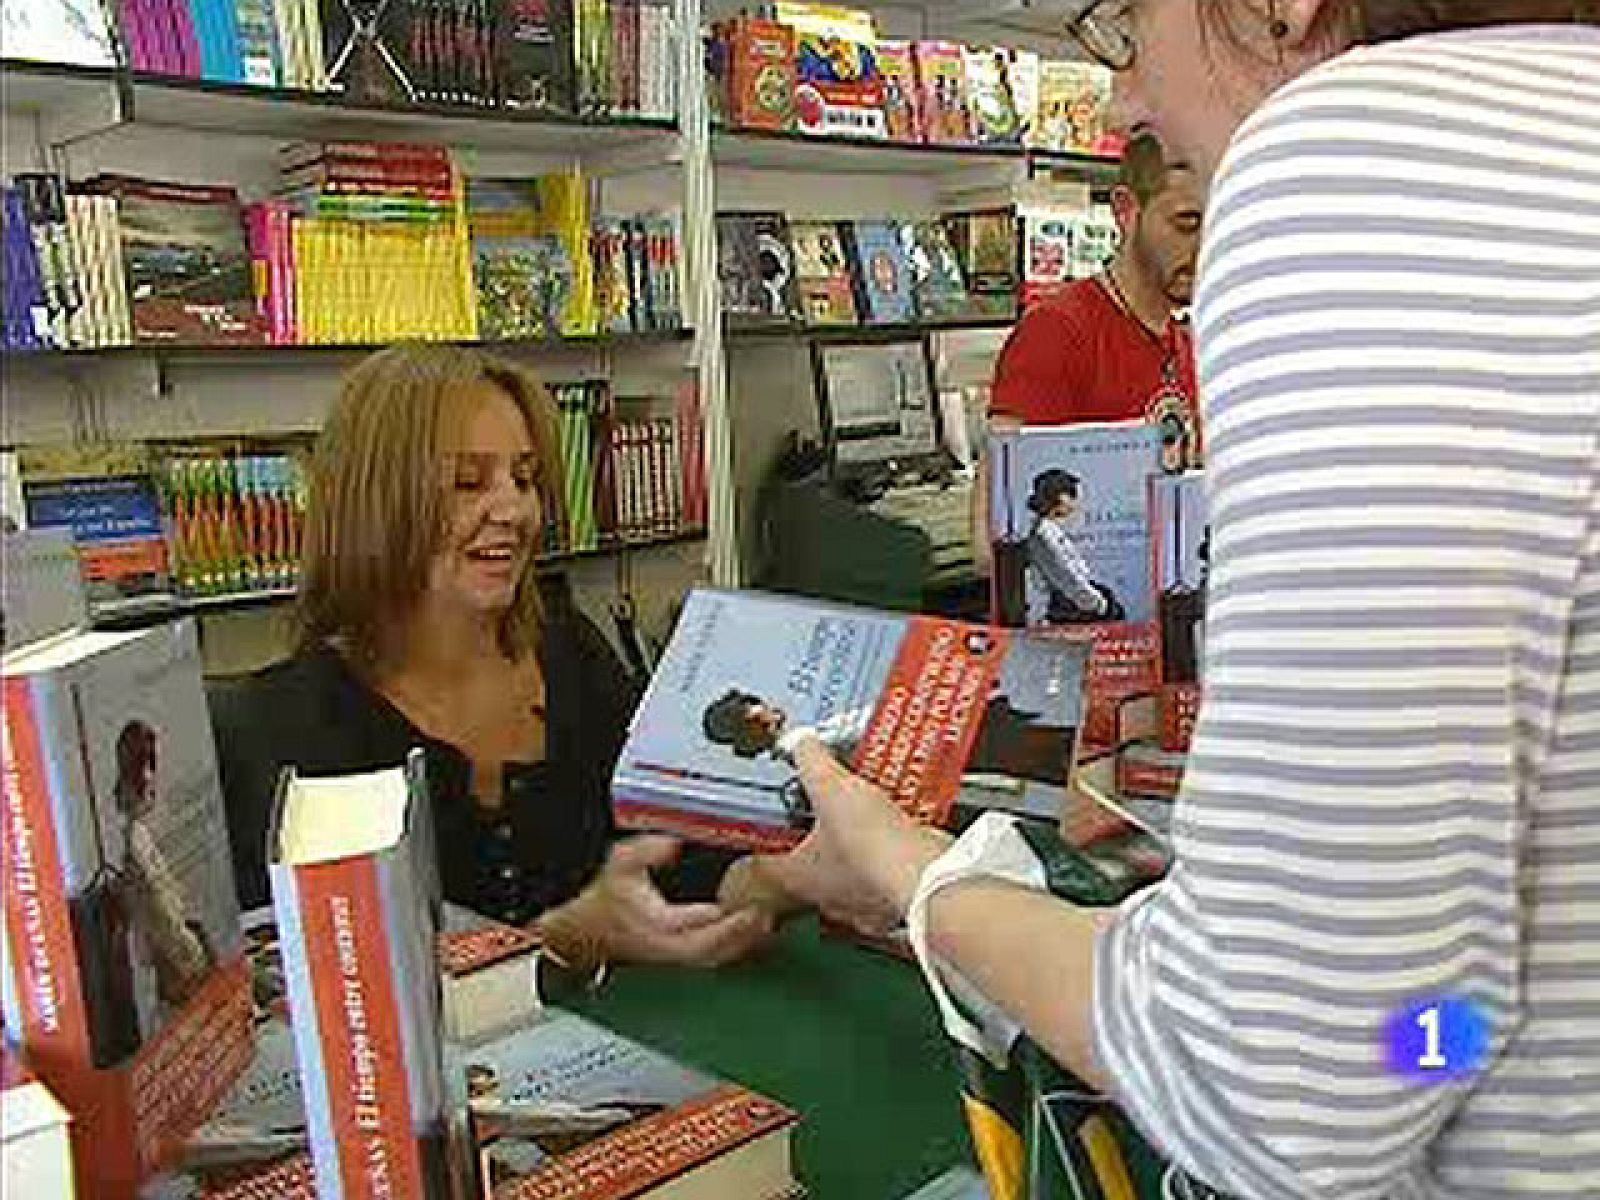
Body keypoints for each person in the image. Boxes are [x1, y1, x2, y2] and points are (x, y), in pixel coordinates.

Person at [771, 3, 1600, 1197]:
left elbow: (1278, 1094)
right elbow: (1438, 1035)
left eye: (1122, 20)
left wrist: (913, 873)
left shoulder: (1352, 154)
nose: (1121, 99)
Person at [212, 344, 784, 973]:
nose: (513, 510)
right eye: (467, 482)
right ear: (375, 500)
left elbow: (675, 854)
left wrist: (781, 878)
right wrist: (565, 938)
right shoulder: (275, 734)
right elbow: (326, 993)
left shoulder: (571, 652)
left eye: (525, 477)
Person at [974, 130, 1205, 564]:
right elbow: (992, 541)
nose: (1204, 246)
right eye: (1187, 224)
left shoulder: (1187, 345)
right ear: (1126, 211)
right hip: (1080, 619)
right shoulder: (1056, 333)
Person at [1022, 468, 1123, 625]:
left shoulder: (1048, 530)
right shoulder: (1044, 535)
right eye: (1073, 497)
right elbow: (1066, 578)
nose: (1076, 504)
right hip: (1060, 614)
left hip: (1068, 606)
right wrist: (1099, 604)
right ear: (1061, 498)